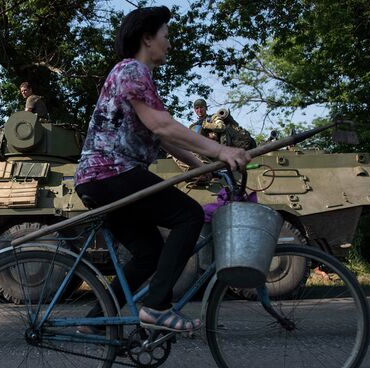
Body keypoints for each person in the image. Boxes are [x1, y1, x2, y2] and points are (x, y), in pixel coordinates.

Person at [74, 6, 251, 333]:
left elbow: (160, 137)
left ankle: (96, 320)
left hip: (99, 179)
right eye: (166, 36)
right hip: (112, 173)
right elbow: (163, 125)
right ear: (147, 38)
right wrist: (223, 150)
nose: (169, 44)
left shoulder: (135, 76)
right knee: (189, 215)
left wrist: (200, 166)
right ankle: (157, 308)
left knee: (149, 252)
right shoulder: (132, 71)